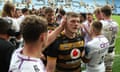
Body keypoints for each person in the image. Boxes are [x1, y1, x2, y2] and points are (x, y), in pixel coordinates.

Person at [101, 5, 119, 72]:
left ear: (102, 13)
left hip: (102, 52)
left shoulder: (101, 23)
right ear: (111, 13)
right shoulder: (116, 24)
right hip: (112, 51)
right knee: (109, 69)